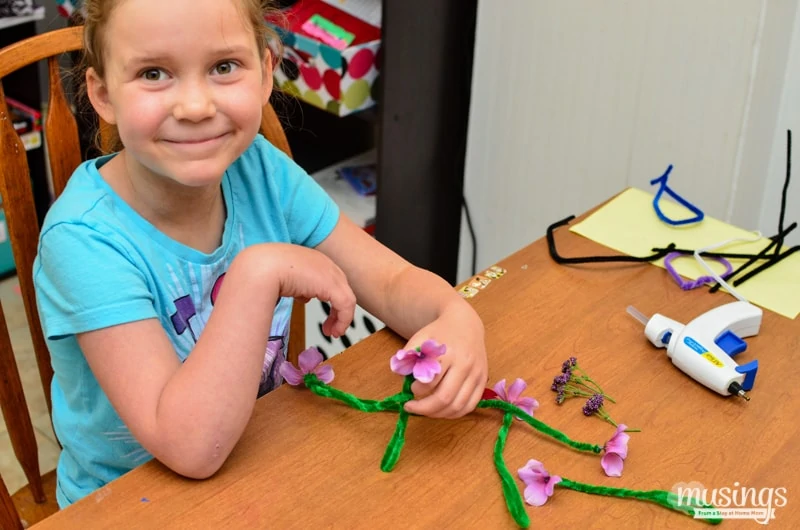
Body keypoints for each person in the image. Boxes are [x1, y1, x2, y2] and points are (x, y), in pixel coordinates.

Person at [33, 0, 488, 509]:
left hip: (255, 456)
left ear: (267, 71)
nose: (196, 106)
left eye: (224, 67)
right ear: (103, 94)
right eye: (154, 73)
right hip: (129, 503)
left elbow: (388, 281)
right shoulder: (83, 240)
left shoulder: (261, 170)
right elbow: (189, 447)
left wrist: (455, 315)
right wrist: (258, 271)